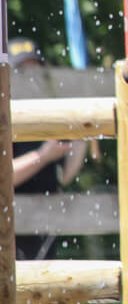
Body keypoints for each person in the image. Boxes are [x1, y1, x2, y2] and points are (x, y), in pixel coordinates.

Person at [10, 37, 86, 260]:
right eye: (23, 71)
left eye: (35, 68)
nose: (31, 77)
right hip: (10, 230)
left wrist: (81, 136)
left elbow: (64, 176)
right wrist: (42, 157)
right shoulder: (5, 116)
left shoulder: (48, 113)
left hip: (44, 227)